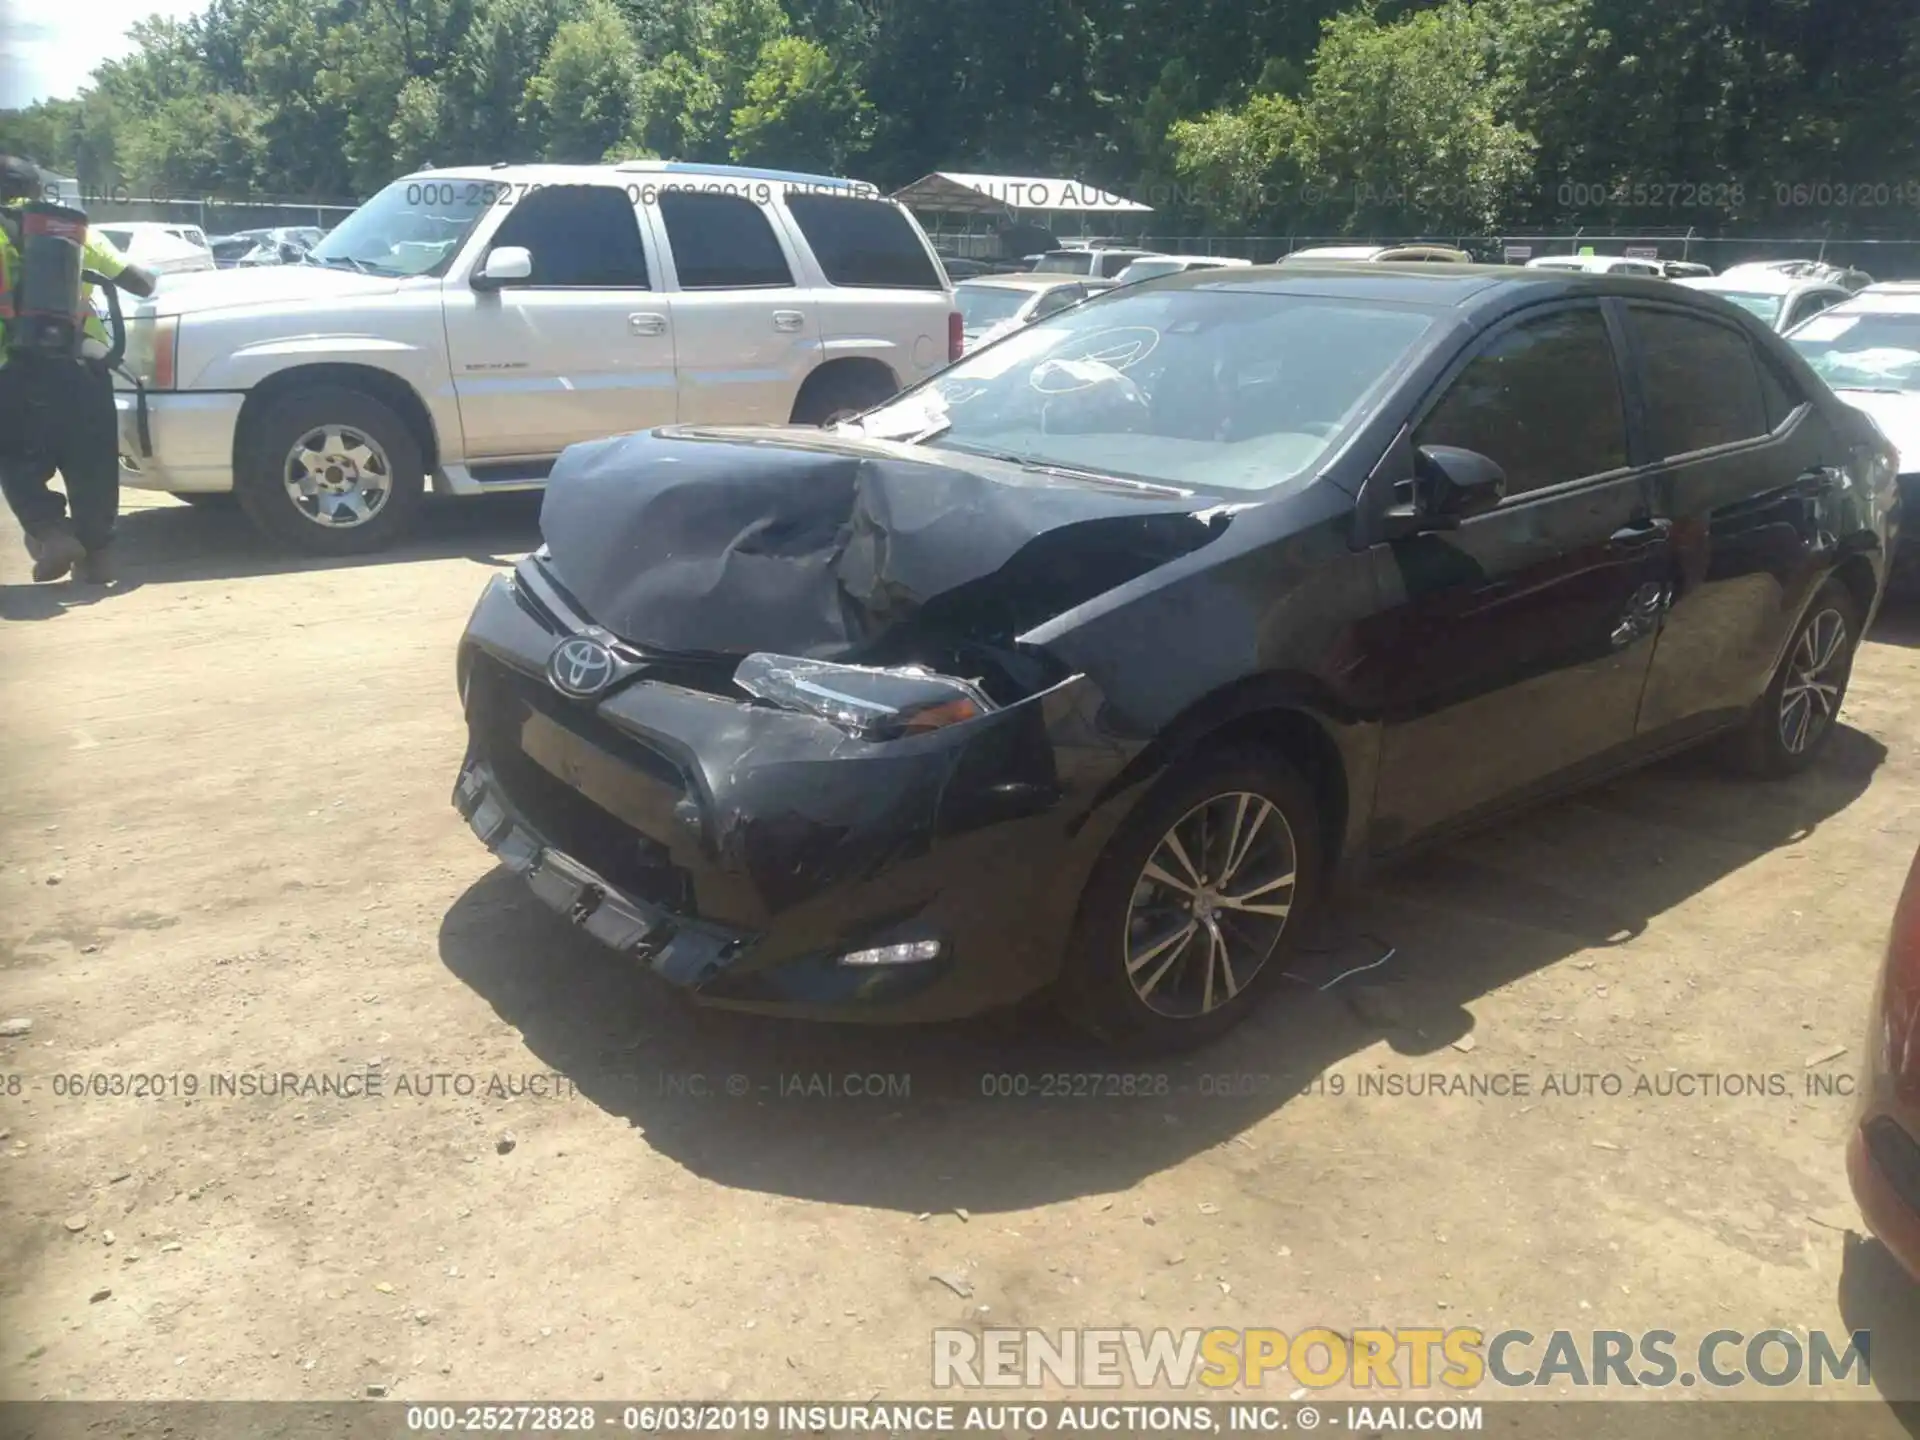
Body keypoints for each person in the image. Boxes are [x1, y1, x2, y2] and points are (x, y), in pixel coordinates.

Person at [0, 154, 156, 584]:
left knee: (17, 461)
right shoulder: (70, 230)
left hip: (12, 370)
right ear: (35, 192)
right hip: (83, 365)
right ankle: (99, 555)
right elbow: (140, 282)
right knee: (93, 463)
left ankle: (51, 534)